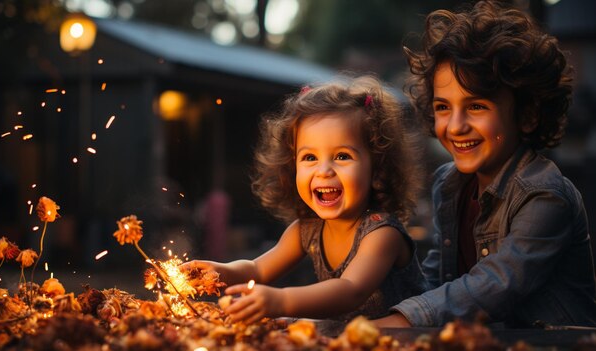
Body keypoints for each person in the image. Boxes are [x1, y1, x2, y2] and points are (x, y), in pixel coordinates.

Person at [375, 0, 596, 328]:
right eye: (443, 107)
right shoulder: (448, 184)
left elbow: (493, 285)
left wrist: (403, 321)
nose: (455, 126)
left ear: (528, 114)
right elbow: (437, 281)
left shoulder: (544, 196)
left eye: (476, 106)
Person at [182, 75, 427, 324]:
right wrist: (220, 272)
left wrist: (281, 302)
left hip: (406, 339)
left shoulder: (382, 234)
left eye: (342, 156)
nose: (324, 171)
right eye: (309, 158)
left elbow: (351, 290)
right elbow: (258, 269)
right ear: (291, 166)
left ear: (377, 169)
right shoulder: (306, 229)